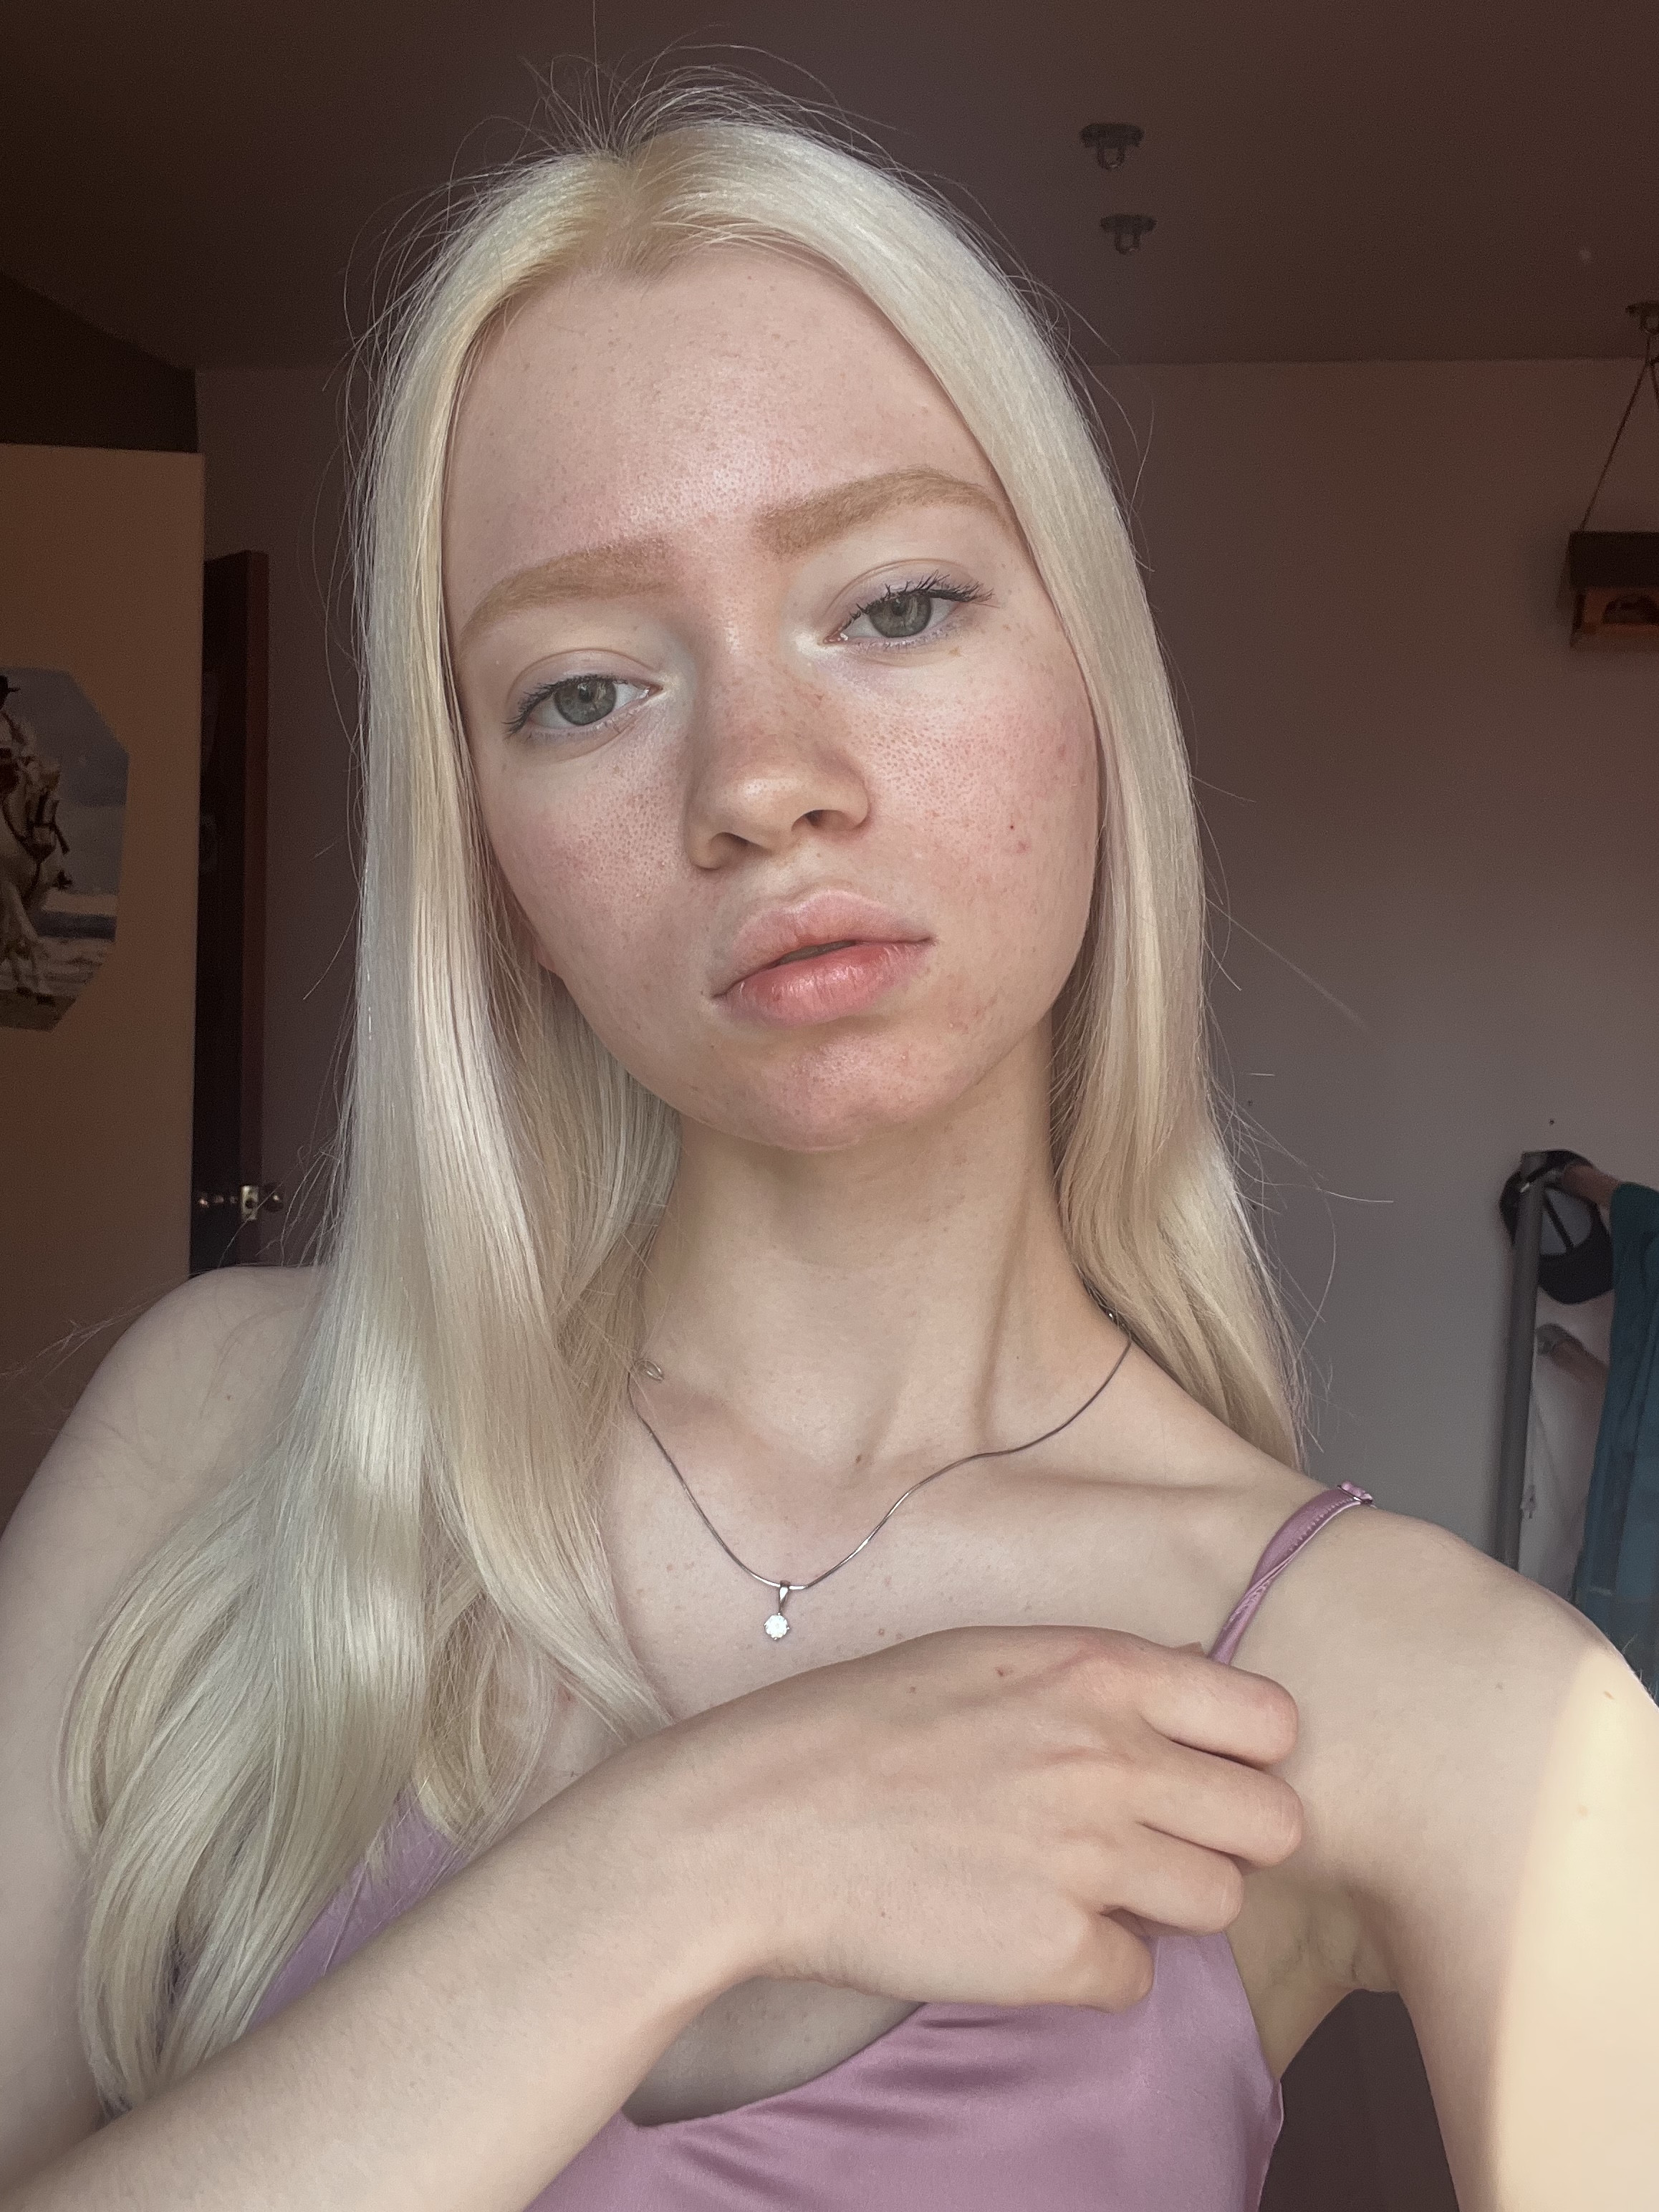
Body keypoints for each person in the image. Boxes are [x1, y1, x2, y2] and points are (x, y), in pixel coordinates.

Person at [2, 86, 1655, 2212]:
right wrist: (695, 1855)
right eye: (582, 690)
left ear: (1094, 690)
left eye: (894, 605)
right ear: (493, 865)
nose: (760, 784)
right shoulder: (219, 1429)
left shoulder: (1451, 1713)